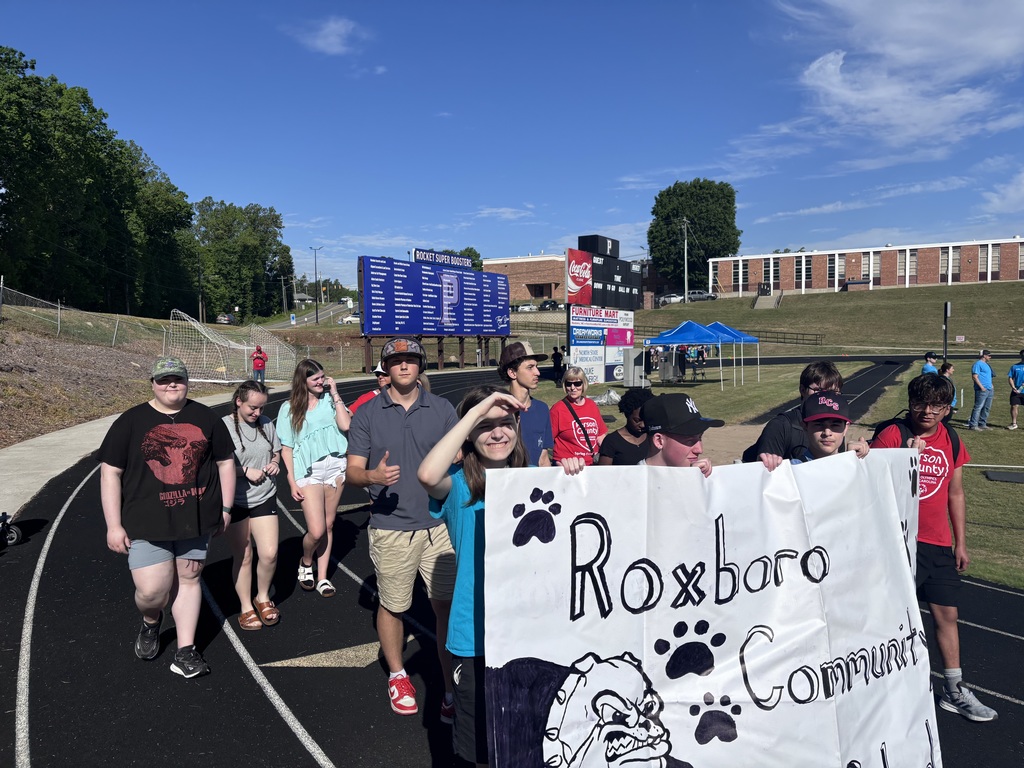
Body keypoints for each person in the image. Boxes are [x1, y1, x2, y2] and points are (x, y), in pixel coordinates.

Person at [418, 386, 586, 767]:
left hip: (534, 636)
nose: (497, 433)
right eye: (485, 426)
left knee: (533, 744)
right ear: (469, 434)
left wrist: (573, 473)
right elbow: (427, 473)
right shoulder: (458, 485)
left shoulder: (540, 479)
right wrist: (475, 411)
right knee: (481, 748)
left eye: (505, 424)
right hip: (475, 635)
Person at [97, 356, 235, 678]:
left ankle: (185, 651)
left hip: (195, 520)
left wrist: (226, 508)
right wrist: (113, 525)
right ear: (153, 384)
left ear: (188, 382)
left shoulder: (207, 418)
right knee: (152, 593)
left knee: (189, 580)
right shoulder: (130, 421)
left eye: (178, 379)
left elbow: (226, 462)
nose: (171, 384)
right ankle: (151, 621)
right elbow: (109, 473)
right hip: (146, 522)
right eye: (163, 380)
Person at [872, 373, 997, 722]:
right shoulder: (893, 434)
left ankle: (954, 690)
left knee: (948, 616)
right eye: (920, 403)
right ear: (910, 402)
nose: (927, 411)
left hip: (938, 544)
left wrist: (961, 542)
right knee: (894, 619)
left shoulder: (952, 440)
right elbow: (870, 480)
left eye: (936, 405)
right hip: (898, 541)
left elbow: (955, 493)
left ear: (947, 408)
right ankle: (885, 687)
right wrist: (903, 457)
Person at [346, 337, 459, 719]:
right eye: (396, 361)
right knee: (393, 605)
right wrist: (371, 476)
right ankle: (397, 674)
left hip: (439, 524)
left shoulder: (443, 409)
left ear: (421, 365)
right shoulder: (367, 414)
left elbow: (460, 455)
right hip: (391, 526)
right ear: (386, 368)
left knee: (445, 607)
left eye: (411, 359)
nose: (404, 366)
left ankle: (450, 683)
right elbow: (352, 472)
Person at [277, 359, 352, 598]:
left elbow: (346, 425)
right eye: (315, 379)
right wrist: (291, 480)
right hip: (307, 472)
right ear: (303, 381)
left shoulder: (330, 401)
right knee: (317, 530)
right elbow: (286, 448)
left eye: (322, 376)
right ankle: (306, 561)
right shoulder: (288, 409)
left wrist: (336, 393)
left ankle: (322, 578)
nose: (321, 381)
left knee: (329, 525)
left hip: (335, 467)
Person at [223, 380, 282, 631]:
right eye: (252, 408)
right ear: (239, 401)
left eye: (261, 408)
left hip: (264, 495)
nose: (257, 413)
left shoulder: (266, 424)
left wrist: (275, 463)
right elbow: (216, 467)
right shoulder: (223, 427)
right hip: (235, 500)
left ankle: (263, 596)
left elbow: (276, 453)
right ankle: (246, 606)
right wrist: (243, 470)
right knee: (244, 555)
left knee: (269, 553)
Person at [742, 361, 844, 468]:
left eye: (833, 392)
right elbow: (765, 473)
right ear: (802, 390)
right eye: (818, 390)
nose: (825, 397)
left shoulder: (836, 427)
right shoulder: (781, 426)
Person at [498, 341, 552, 467]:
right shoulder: (497, 409)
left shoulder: (542, 409)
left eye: (536, 367)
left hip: (535, 484)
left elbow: (543, 459)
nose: (537, 372)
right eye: (530, 367)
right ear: (512, 373)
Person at [638, 393, 721, 473]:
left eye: (700, 437)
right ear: (659, 441)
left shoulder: (698, 475)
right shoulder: (634, 483)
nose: (699, 450)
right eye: (689, 441)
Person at [549, 366, 607, 466]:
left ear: (583, 384)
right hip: (568, 467)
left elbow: (600, 435)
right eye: (569, 384)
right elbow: (548, 440)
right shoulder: (558, 409)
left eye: (577, 383)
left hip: (591, 465)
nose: (572, 387)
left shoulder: (591, 405)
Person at [792, 392, 869, 463]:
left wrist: (854, 461)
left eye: (835, 425)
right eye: (819, 424)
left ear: (845, 428)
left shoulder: (854, 462)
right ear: (805, 427)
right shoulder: (792, 470)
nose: (827, 433)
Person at [598, 387, 654, 466]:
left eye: (646, 419)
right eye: (637, 420)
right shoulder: (611, 441)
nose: (642, 425)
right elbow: (603, 473)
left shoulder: (653, 437)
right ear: (627, 414)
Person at [966, 349, 994, 431]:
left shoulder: (987, 365)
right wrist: (981, 387)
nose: (990, 357)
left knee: (986, 407)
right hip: (981, 389)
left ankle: (982, 423)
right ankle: (973, 424)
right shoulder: (977, 364)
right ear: (984, 356)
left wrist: (991, 385)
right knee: (978, 407)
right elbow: (975, 376)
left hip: (989, 389)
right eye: (988, 355)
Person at [1007, 349, 1024, 430]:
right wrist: (1013, 387)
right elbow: (1010, 378)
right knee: (1014, 406)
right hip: (1017, 391)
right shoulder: (1015, 367)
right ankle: (1014, 423)